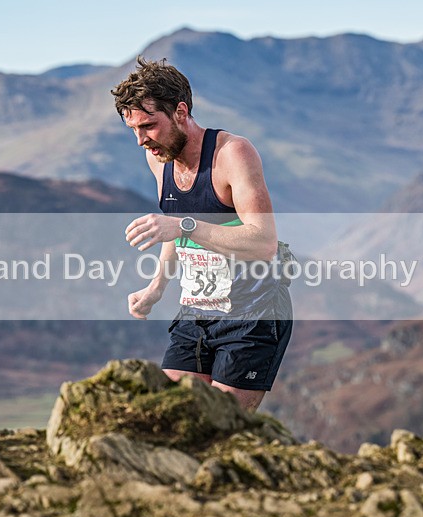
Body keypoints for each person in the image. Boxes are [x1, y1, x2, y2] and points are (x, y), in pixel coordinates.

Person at [112, 57, 292, 411]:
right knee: (174, 419)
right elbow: (174, 233)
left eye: (148, 125)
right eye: (133, 129)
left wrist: (184, 226)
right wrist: (156, 287)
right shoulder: (158, 158)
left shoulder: (232, 154)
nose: (141, 140)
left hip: (252, 316)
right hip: (195, 314)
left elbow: (263, 242)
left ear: (180, 112)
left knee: (220, 433)